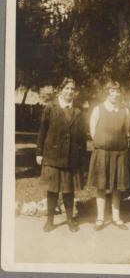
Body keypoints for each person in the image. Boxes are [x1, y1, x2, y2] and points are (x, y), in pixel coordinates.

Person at [36, 78, 86, 233]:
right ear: (61, 90)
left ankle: (70, 220)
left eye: (72, 89)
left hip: (71, 158)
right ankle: (49, 221)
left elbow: (81, 138)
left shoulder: (78, 112)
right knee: (52, 190)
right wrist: (39, 152)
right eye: (67, 88)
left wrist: (81, 158)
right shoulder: (51, 108)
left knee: (68, 190)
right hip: (53, 156)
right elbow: (42, 132)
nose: (70, 91)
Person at [87, 80, 130, 231]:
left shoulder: (125, 111)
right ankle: (100, 218)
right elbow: (93, 131)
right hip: (103, 153)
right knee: (101, 186)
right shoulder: (98, 109)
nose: (115, 94)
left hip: (119, 154)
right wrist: (103, 144)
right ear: (107, 93)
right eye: (112, 91)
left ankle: (116, 218)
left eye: (117, 91)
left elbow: (127, 131)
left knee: (117, 187)